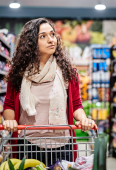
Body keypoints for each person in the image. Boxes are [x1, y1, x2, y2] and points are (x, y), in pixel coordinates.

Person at [3, 18, 96, 165]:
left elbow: (76, 104)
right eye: (43, 36)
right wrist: (10, 121)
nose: (51, 39)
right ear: (31, 42)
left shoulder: (68, 73)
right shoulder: (19, 73)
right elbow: (8, 104)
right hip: (28, 145)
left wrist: (82, 119)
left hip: (62, 145)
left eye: (52, 34)